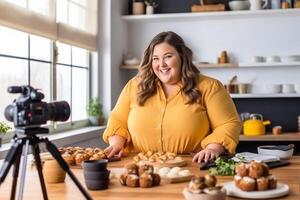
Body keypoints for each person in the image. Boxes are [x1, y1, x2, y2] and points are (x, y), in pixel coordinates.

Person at [103, 31, 241, 163]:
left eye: (168, 56)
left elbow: (228, 124)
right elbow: (117, 120)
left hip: (192, 165)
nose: (161, 64)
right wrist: (117, 143)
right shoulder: (134, 86)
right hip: (139, 165)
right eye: (155, 58)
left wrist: (213, 149)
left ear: (182, 57)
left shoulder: (209, 87)